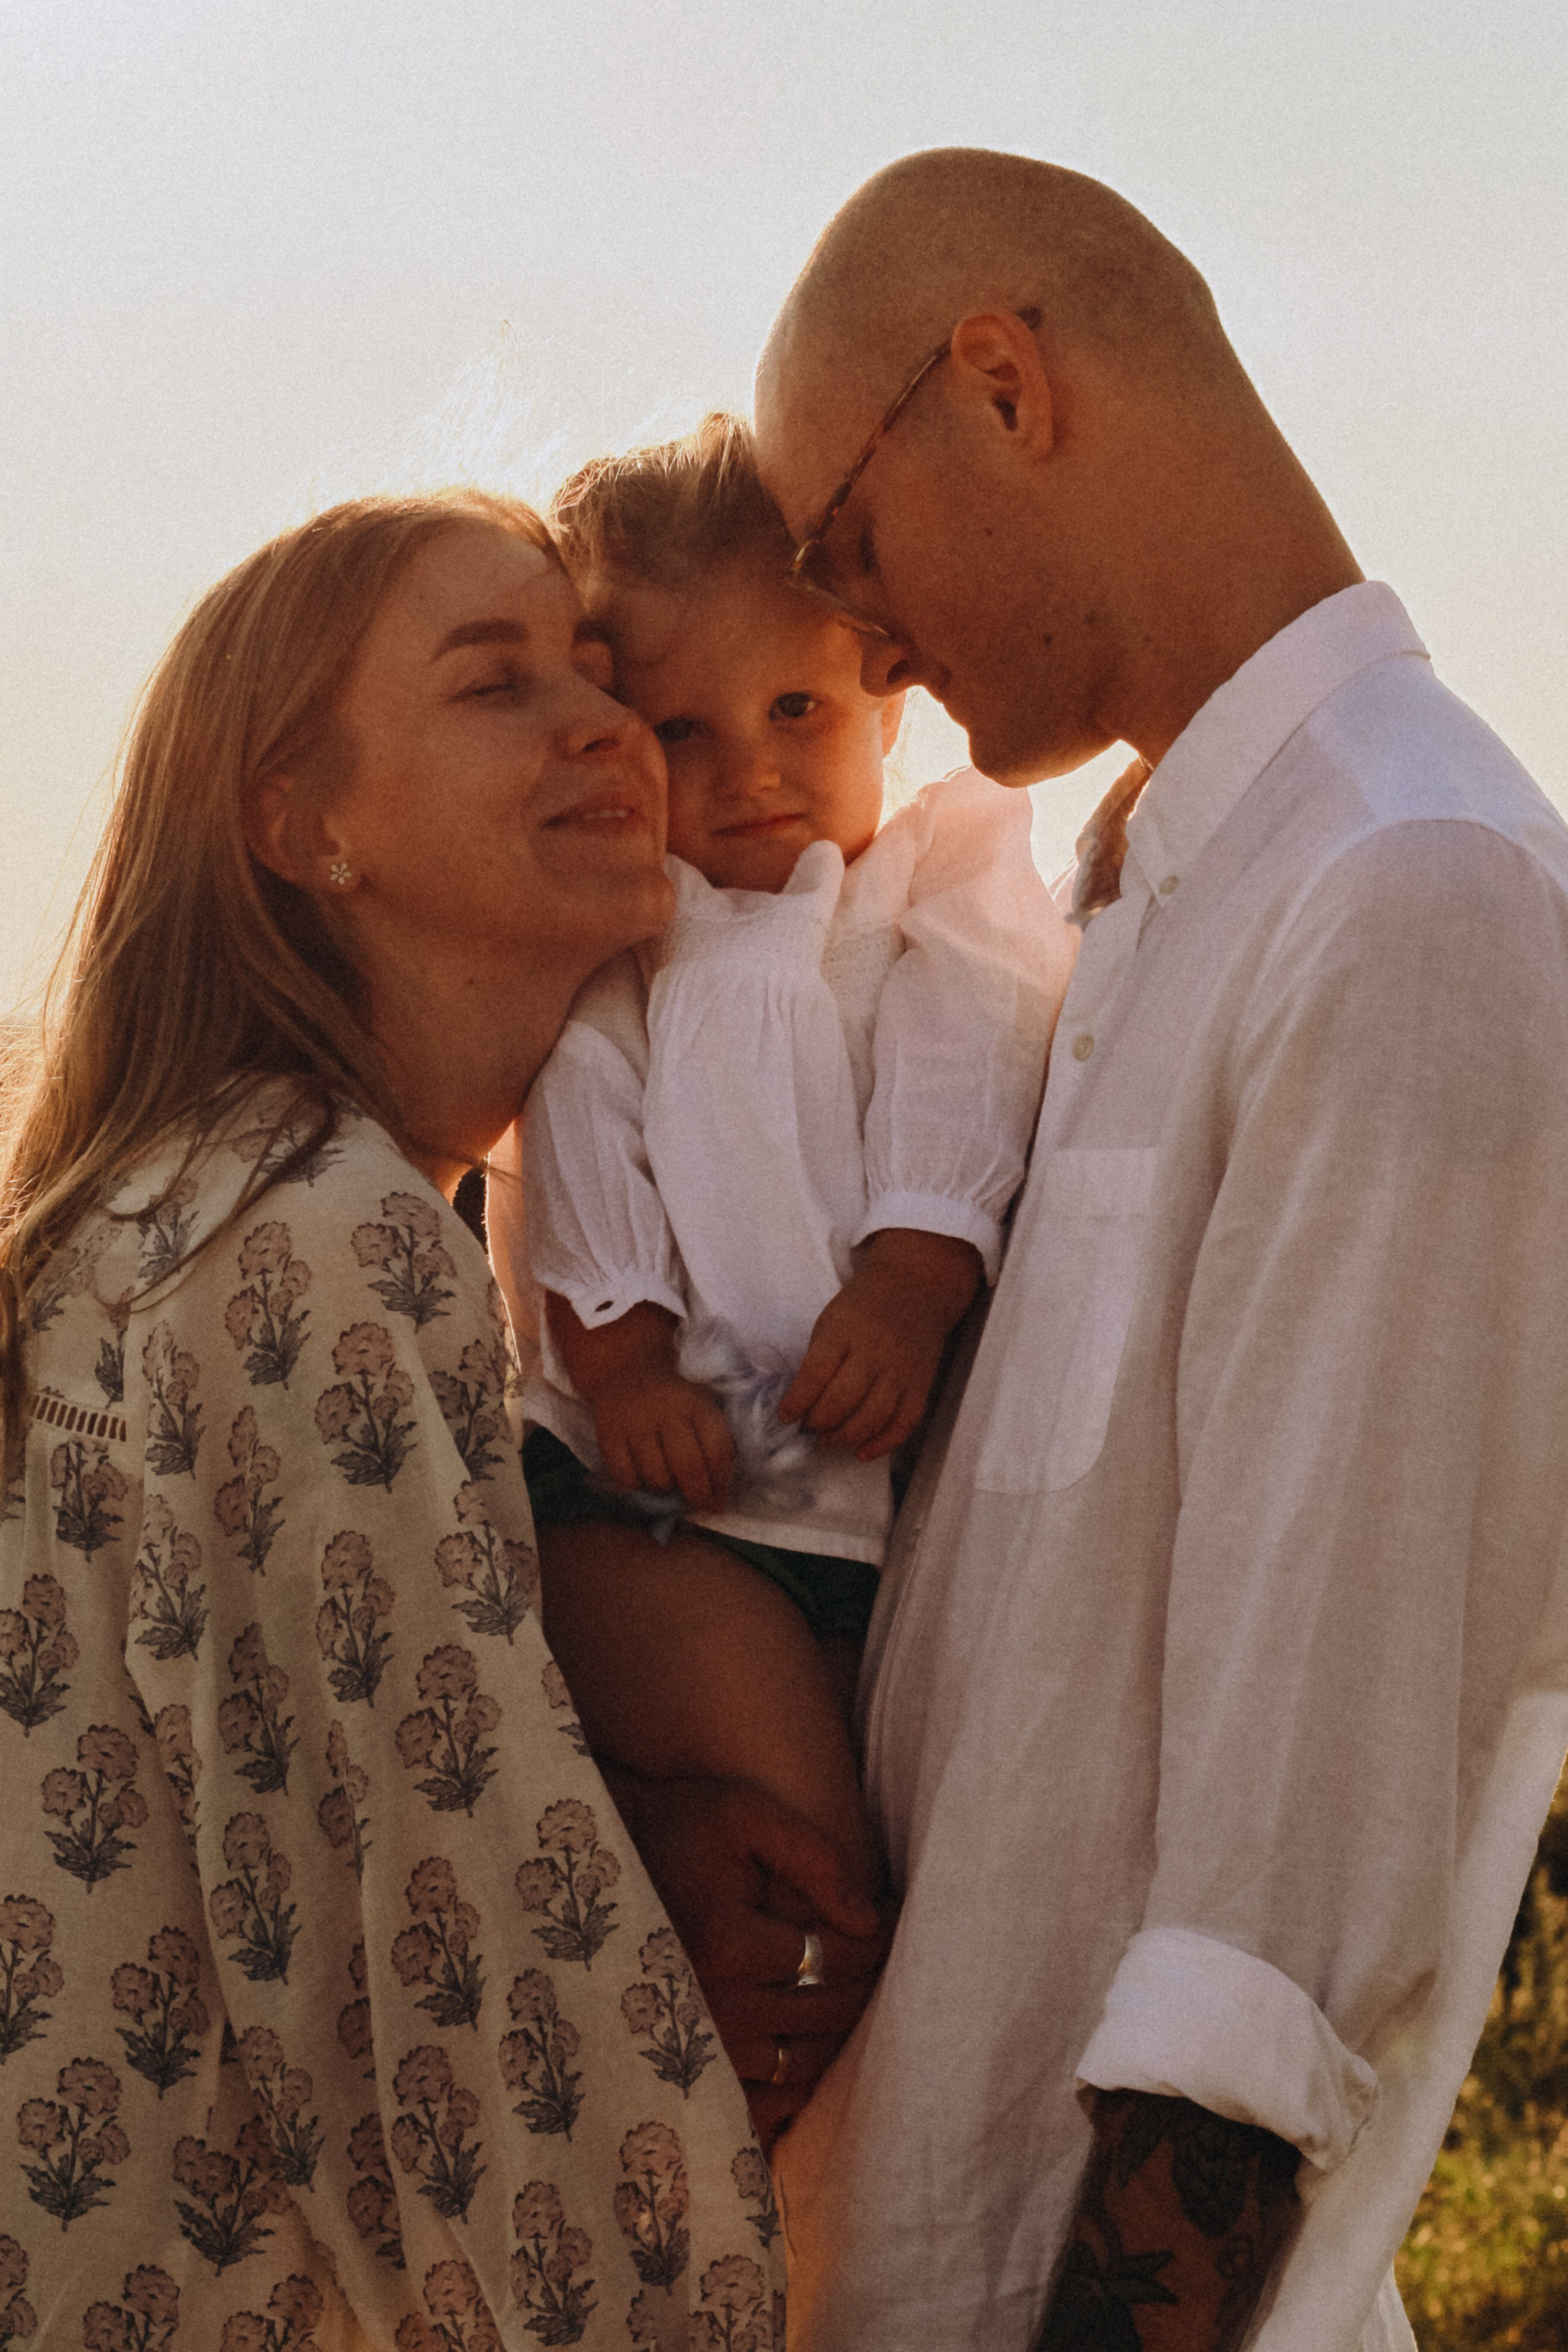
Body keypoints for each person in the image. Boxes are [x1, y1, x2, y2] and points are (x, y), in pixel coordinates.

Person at [747, 148, 1568, 2352]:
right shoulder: (1128, 915)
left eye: (849, 545)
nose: (860, 636)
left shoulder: (1413, 891)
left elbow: (1284, 1909)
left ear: (1000, 386)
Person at [0, 491, 876, 2348]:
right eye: (498, 686)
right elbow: (438, 2018)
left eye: (597, 672)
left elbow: (268, 1816)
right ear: (302, 825)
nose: (607, 728)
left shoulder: (207, 1209)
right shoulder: (311, 1238)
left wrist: (620, 1826)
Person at [486, 417, 1072, 1958]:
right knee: (797, 1857)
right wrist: (616, 1362)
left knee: (854, 1849)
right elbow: (581, 1119)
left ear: (885, 688)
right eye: (679, 733)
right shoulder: (638, 936)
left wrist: (914, 1269)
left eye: (793, 707)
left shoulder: (934, 873)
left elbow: (980, 1043)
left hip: (859, 1513)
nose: (745, 775)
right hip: (658, 1494)